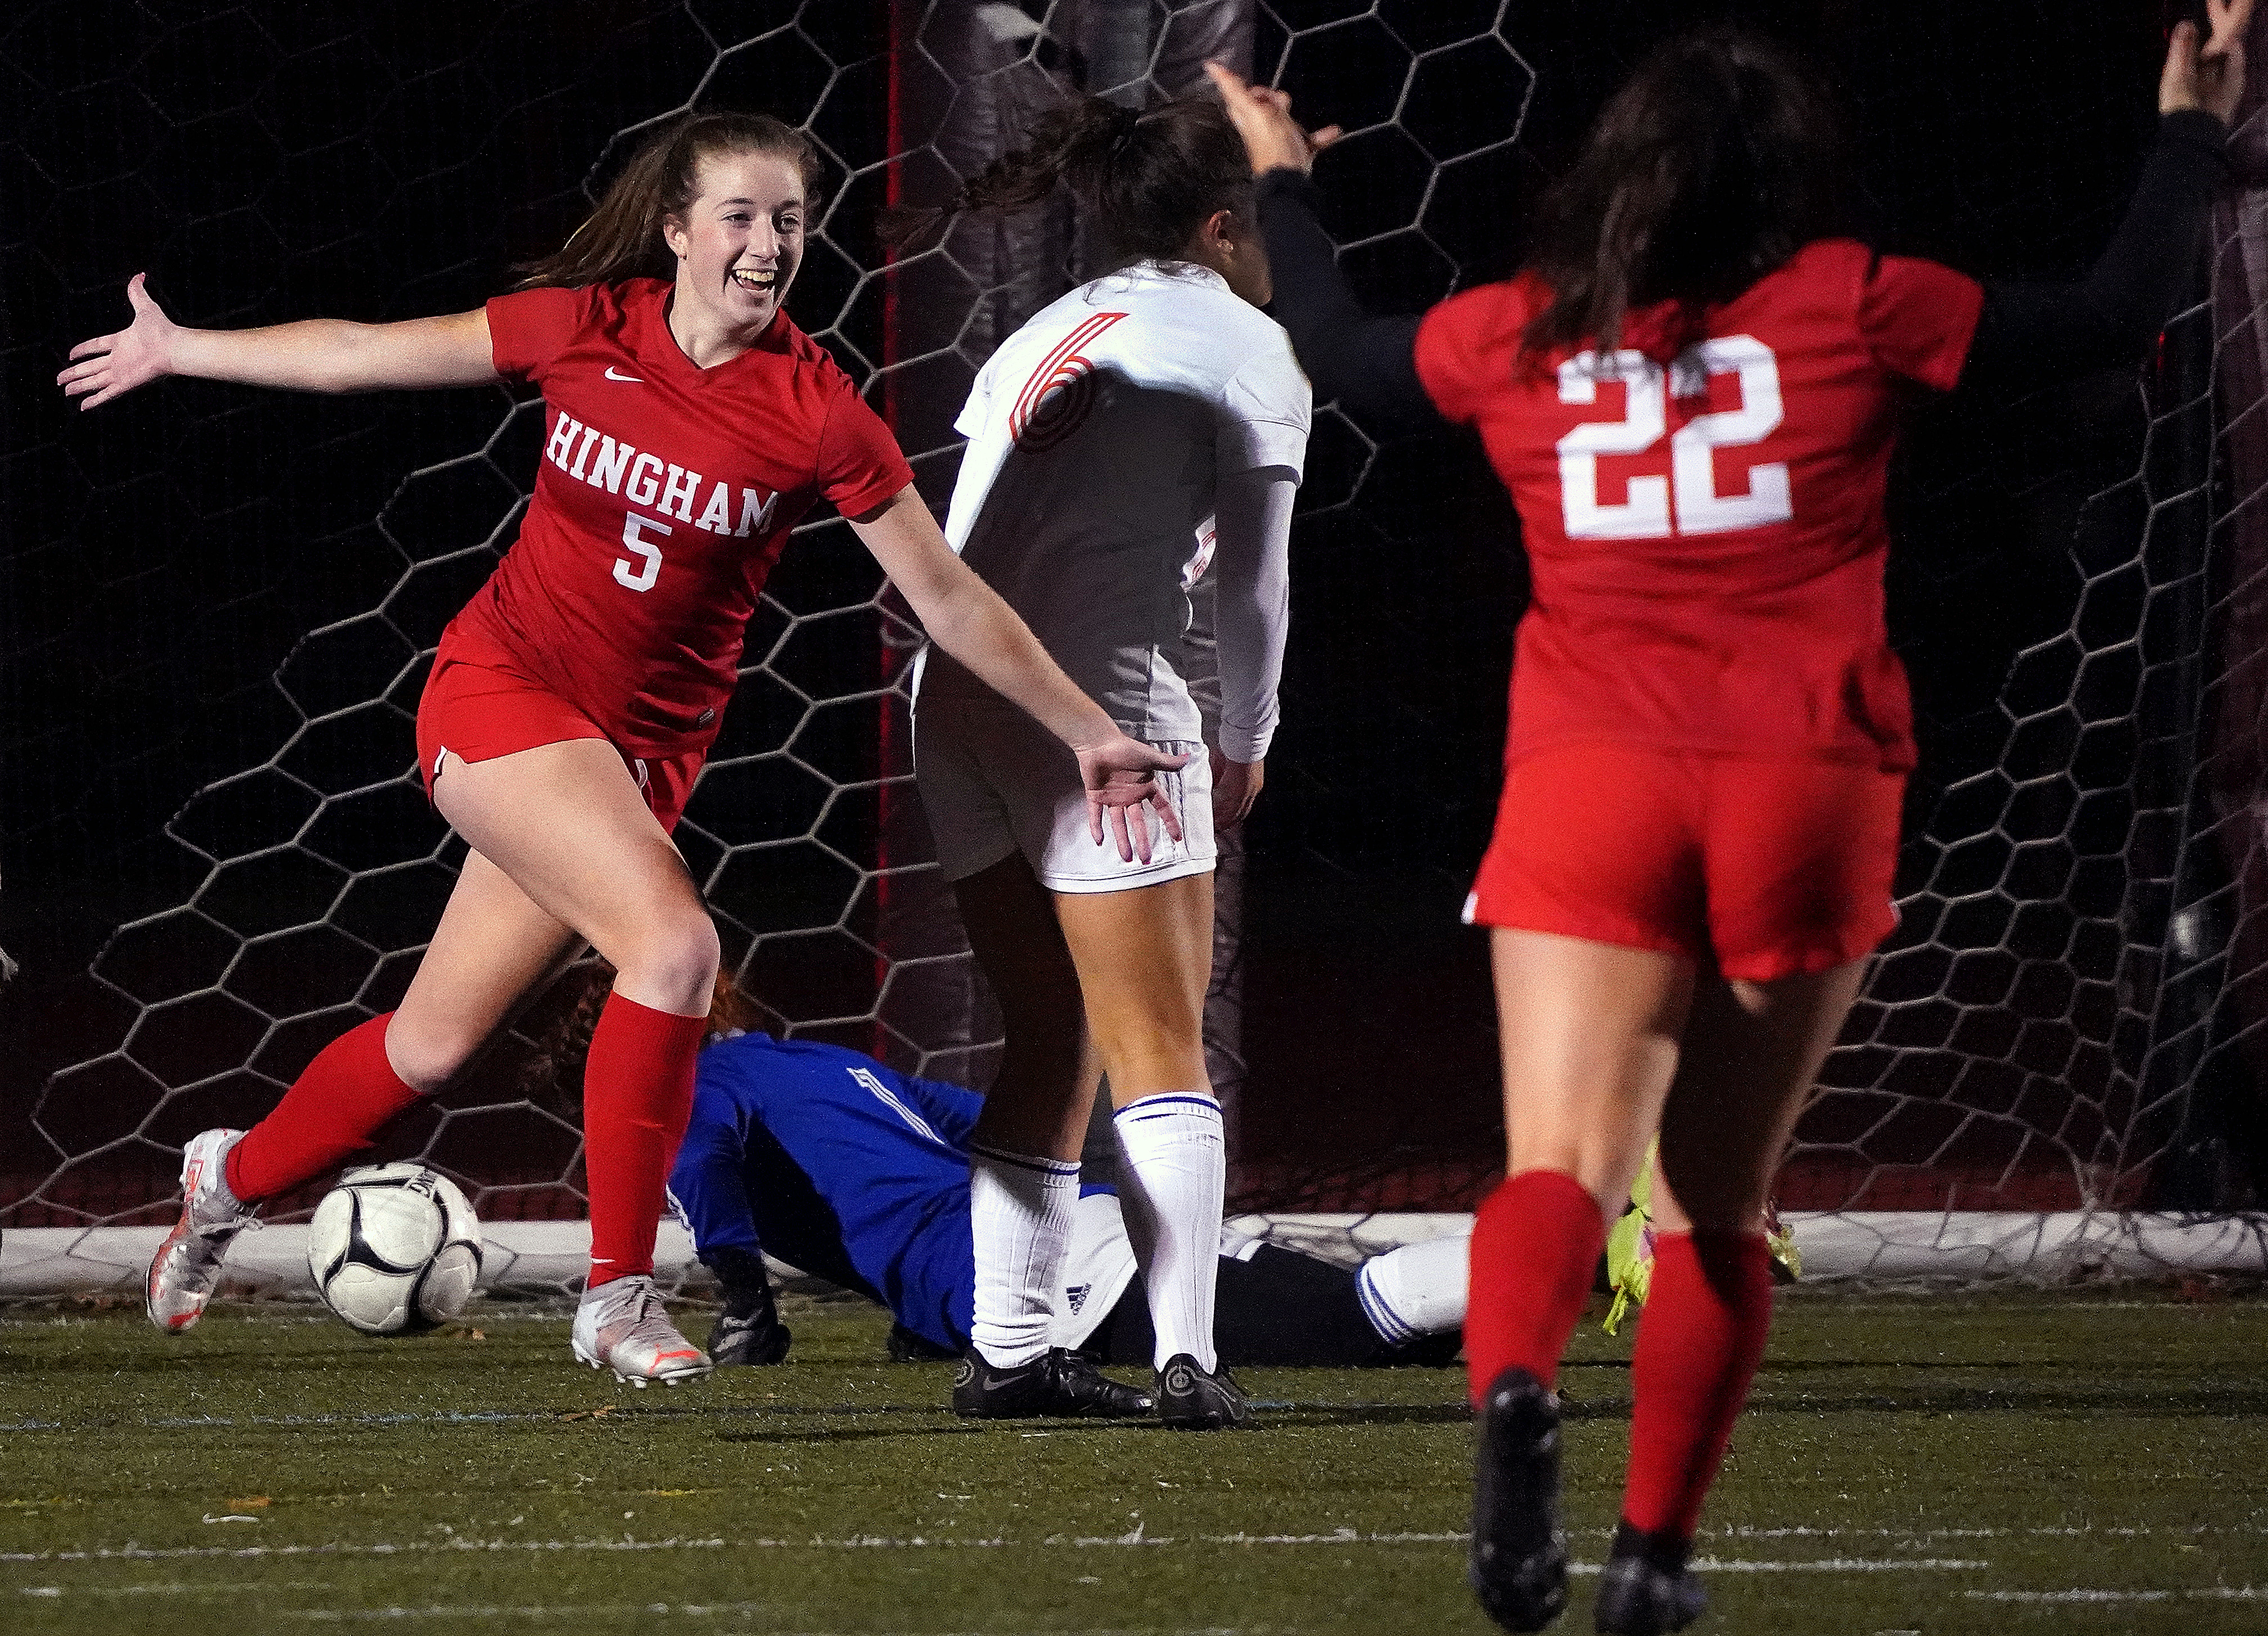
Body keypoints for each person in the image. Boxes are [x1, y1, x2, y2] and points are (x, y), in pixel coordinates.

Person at [1204, 0, 2257, 1632]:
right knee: (1720, 1202)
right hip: (1807, 782)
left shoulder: (1532, 327)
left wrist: (1279, 178)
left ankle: (1514, 1392)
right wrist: (2192, 128)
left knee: (1558, 1158)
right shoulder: (1857, 305)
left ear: (1612, 182)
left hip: (1593, 780)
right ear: (1791, 188)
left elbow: (1335, 352)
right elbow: (2120, 308)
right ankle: (1654, 1553)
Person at [60, 110, 1190, 1389]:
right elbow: (361, 355)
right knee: (676, 947)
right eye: (742, 218)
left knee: (431, 1049)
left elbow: (949, 597)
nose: (769, 247)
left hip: (631, 767)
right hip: (497, 694)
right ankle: (617, 1293)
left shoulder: (818, 411)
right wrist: (180, 347)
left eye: (791, 222)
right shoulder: (586, 328)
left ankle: (227, 1178)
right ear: (676, 229)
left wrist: (1089, 730)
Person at [883, 95, 1310, 1426]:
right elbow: (1256, 587)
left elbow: (958, 543)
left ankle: (1012, 1352)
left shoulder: (1041, 334)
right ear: (1226, 227)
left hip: (954, 706)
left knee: (1050, 1029)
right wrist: (1246, 735)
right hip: (1106, 715)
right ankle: (1190, 1356)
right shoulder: (1247, 347)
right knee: (1159, 1045)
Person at [519, 963, 1469, 1378]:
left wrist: (744, 1308)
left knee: (1367, 1320)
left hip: (1060, 1288)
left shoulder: (685, 1095)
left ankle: (1584, 1236)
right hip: (1077, 1236)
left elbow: (708, 1171)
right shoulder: (805, 1061)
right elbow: (983, 1124)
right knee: (1414, 1343)